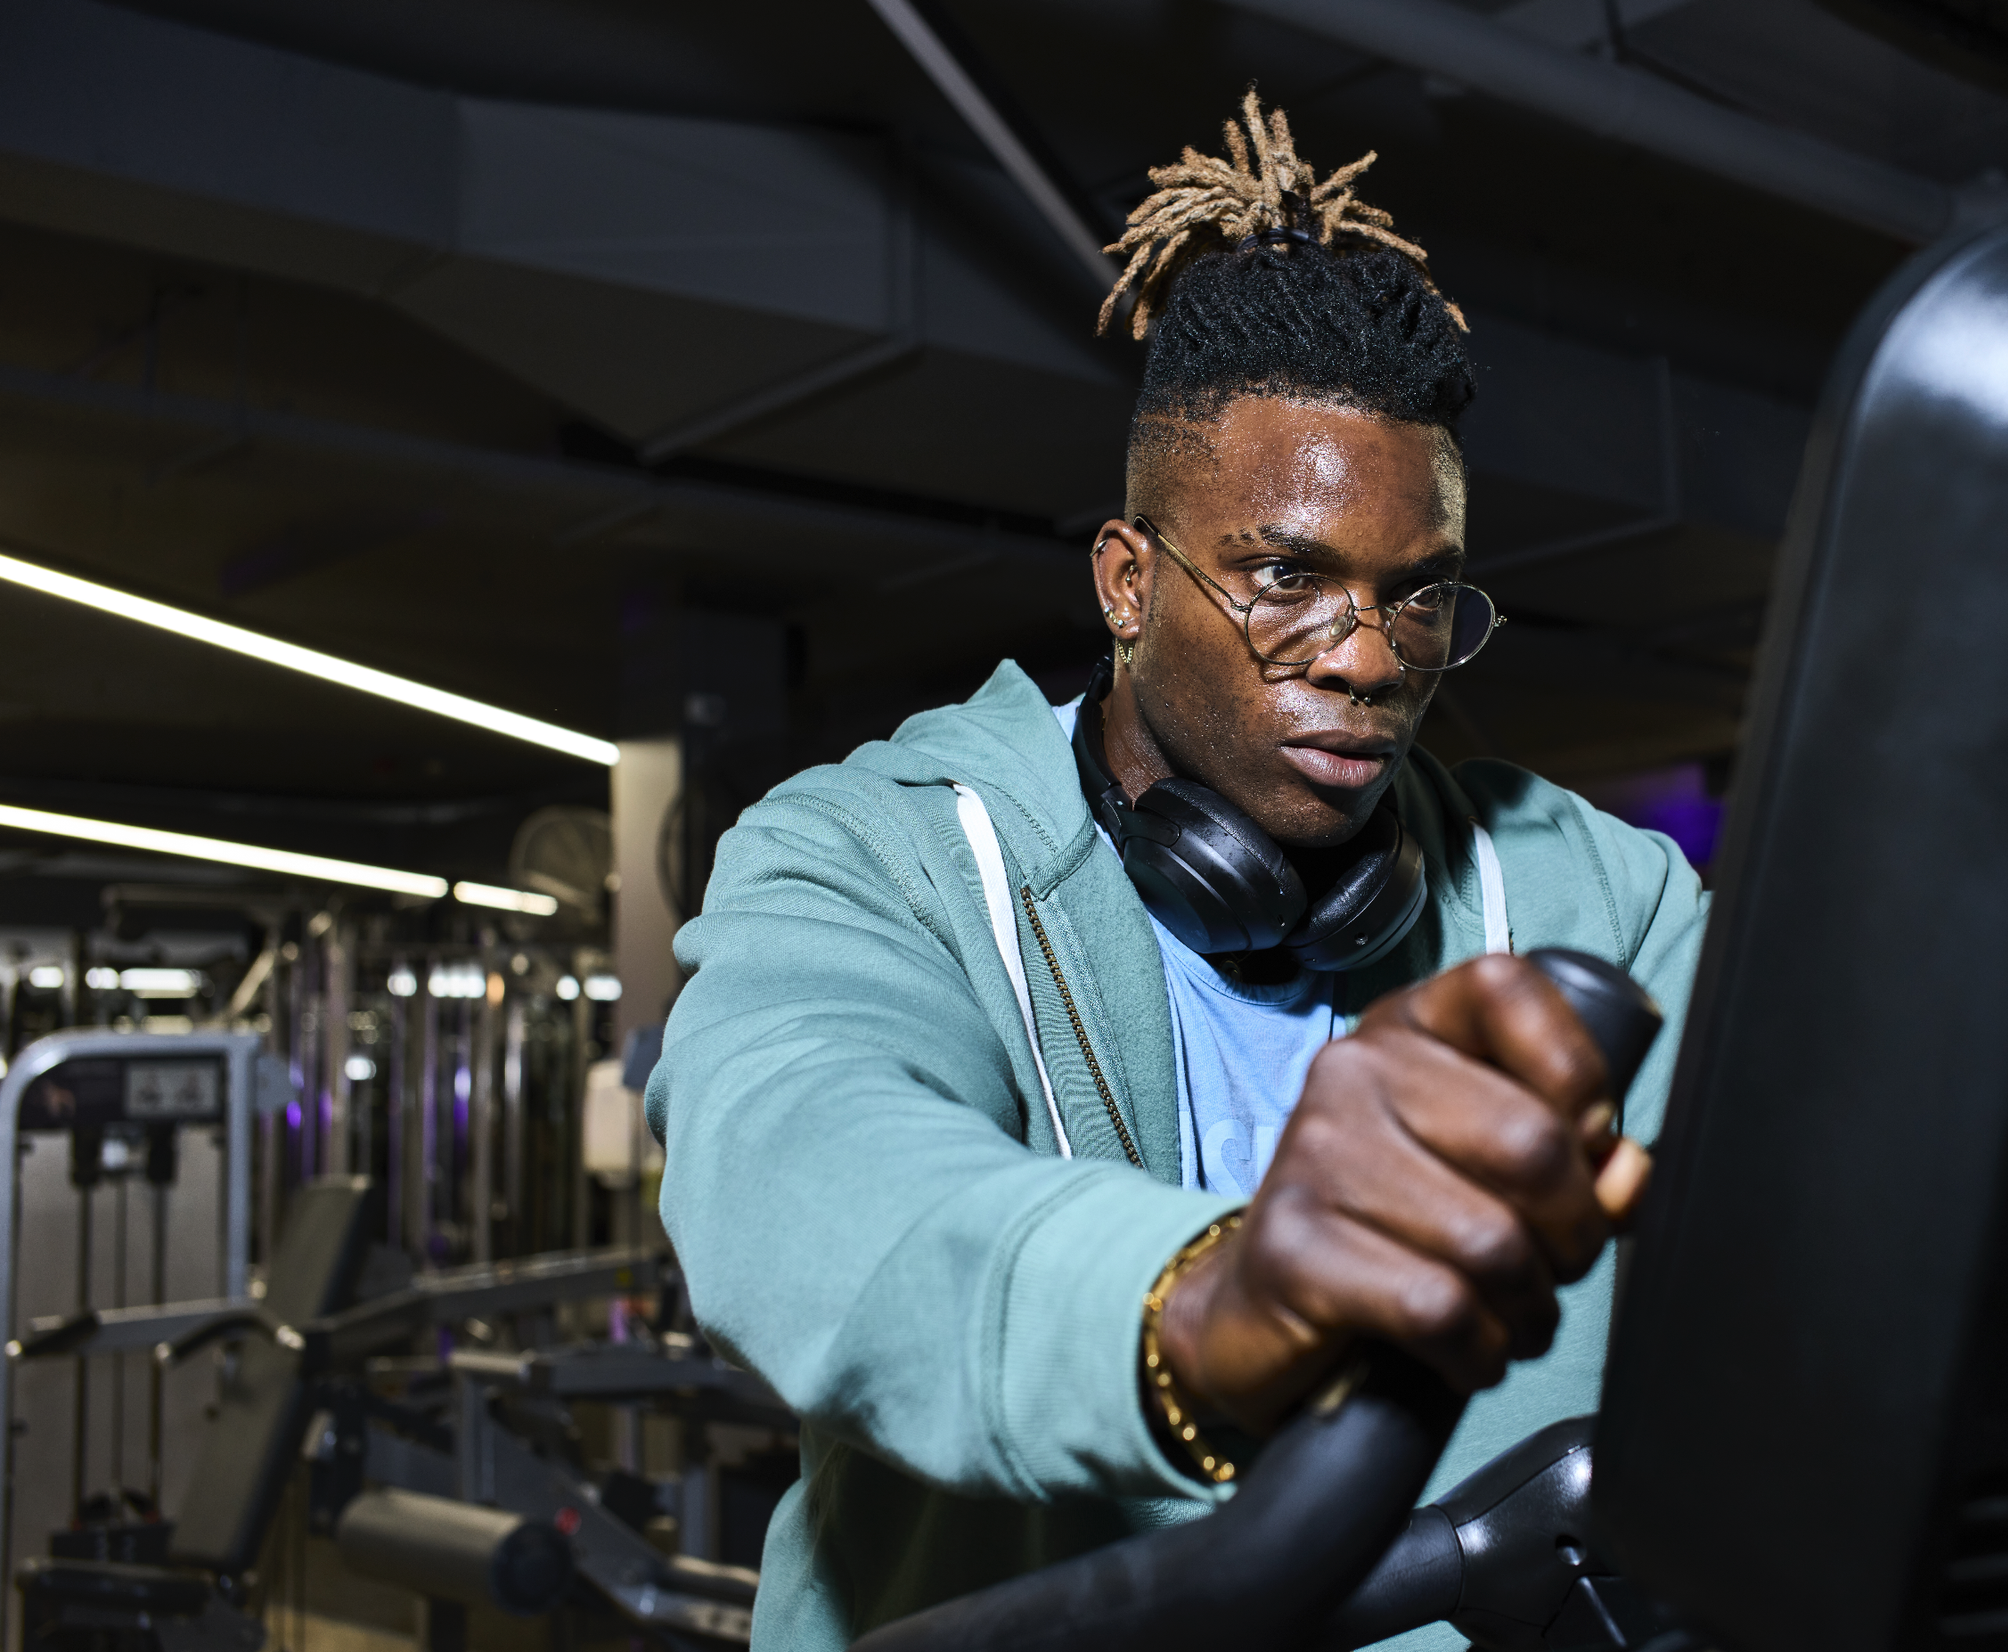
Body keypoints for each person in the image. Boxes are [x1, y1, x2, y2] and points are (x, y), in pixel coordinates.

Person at [648, 90, 1710, 1652]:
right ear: (1129, 582)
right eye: (1289, 581)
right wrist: (1213, 1307)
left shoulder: (1602, 904)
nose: (1365, 658)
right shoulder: (876, 858)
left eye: (1420, 602)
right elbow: (805, 1172)